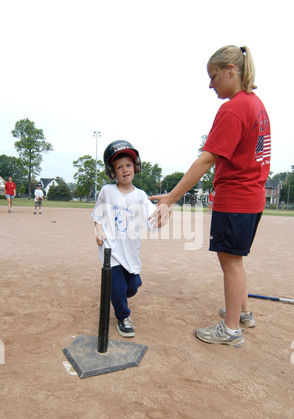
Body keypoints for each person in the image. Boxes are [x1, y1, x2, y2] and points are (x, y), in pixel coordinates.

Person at [149, 45, 271, 348]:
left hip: (236, 198)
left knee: (230, 264)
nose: (210, 84)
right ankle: (242, 314)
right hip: (253, 197)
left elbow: (206, 161)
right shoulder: (256, 104)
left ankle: (230, 330)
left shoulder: (233, 108)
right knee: (236, 261)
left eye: (214, 76)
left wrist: (171, 197)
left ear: (231, 71)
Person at [92, 140, 160, 338]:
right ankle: (123, 317)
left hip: (130, 250)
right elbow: (97, 215)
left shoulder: (140, 196)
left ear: (135, 167)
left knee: (132, 286)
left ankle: (116, 295)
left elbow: (153, 221)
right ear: (113, 171)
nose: (125, 170)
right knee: (119, 287)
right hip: (110, 248)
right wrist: (98, 229)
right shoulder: (107, 191)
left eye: (128, 165)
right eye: (119, 167)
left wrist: (165, 211)